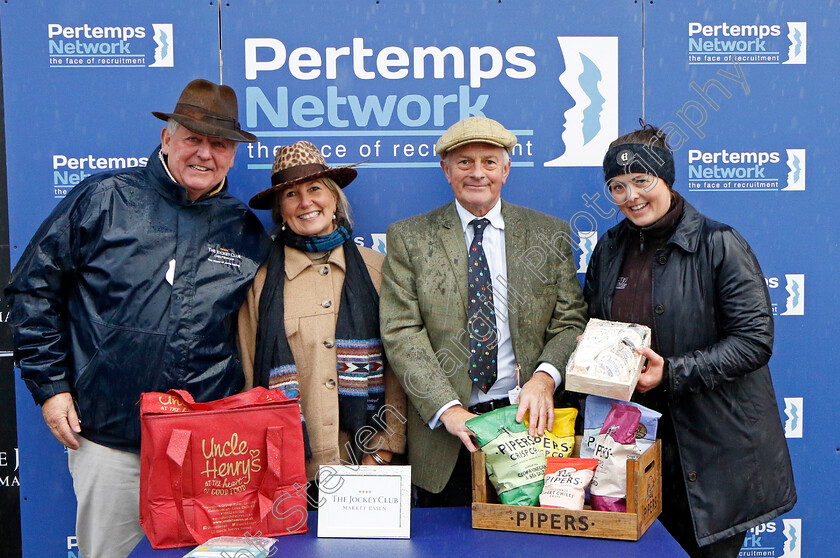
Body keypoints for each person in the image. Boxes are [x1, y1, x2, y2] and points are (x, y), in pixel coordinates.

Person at [5, 79, 269, 558]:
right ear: (167, 139)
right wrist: (51, 387)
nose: (205, 153)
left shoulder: (244, 229)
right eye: (193, 138)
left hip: (208, 449)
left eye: (219, 144)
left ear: (233, 155)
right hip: (109, 437)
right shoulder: (105, 198)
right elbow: (33, 290)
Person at [584, 123, 796, 557]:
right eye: (617, 186)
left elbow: (755, 340)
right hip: (636, 449)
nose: (631, 196)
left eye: (642, 181)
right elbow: (592, 329)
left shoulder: (719, 243)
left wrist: (673, 372)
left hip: (713, 453)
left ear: (666, 178)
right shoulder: (608, 248)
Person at [380, 117, 588, 506]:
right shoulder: (409, 237)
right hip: (448, 438)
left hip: (530, 431)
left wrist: (544, 379)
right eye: (464, 162)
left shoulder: (549, 234)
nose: (478, 173)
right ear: (446, 170)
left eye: (490, 162)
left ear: (506, 170)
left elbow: (570, 321)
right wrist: (448, 409)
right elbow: (401, 332)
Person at [238, 141, 406, 495]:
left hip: (367, 467)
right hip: (290, 475)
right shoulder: (261, 283)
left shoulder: (377, 270)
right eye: (290, 194)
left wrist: (383, 450)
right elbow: (250, 375)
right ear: (280, 211)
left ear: (334, 199)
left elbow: (399, 367)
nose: (305, 202)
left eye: (314, 188)